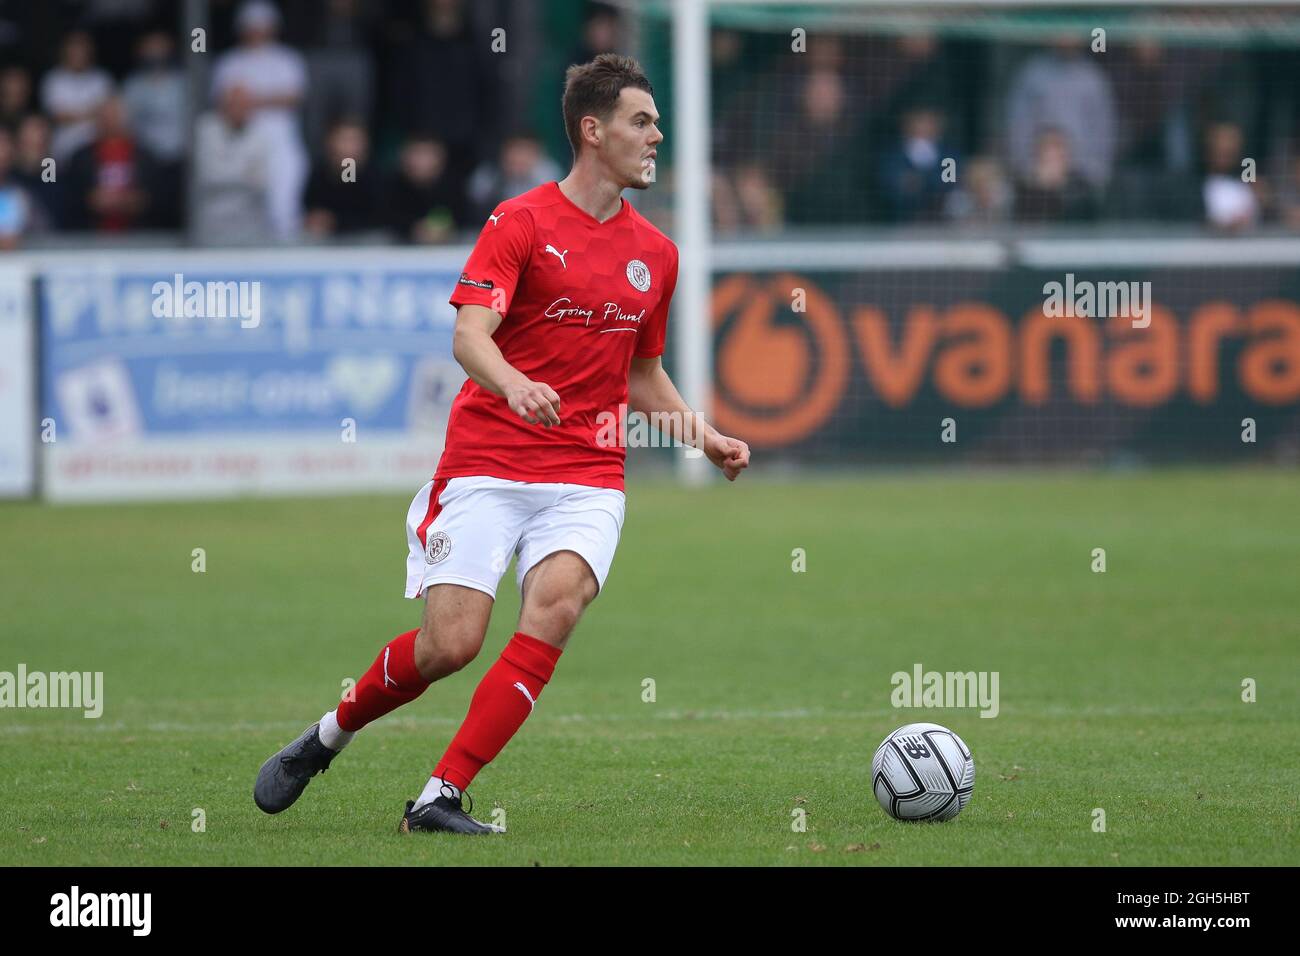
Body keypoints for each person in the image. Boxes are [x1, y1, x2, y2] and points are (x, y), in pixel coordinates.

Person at [254, 53, 751, 835]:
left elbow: (644, 374)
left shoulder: (657, 254)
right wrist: (515, 383)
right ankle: (328, 736)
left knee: (556, 606)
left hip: (589, 472)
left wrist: (705, 435)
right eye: (642, 121)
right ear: (593, 130)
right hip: (489, 462)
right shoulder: (518, 222)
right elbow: (468, 335)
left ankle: (439, 795)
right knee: (451, 645)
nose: (658, 136)